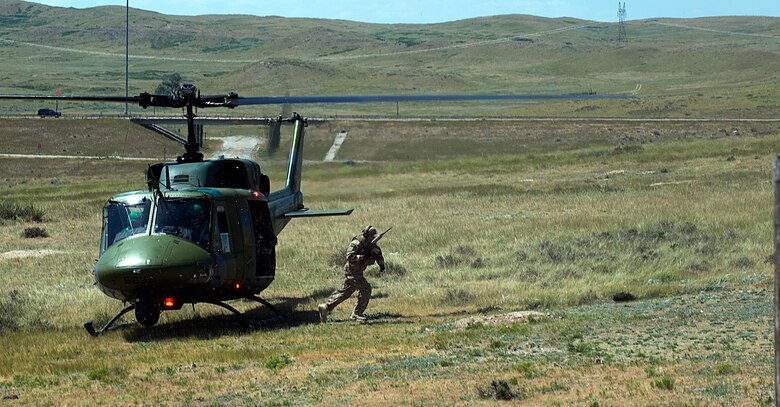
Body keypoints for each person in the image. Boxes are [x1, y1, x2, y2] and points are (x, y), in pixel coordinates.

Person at [319, 226, 385, 322]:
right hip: (352, 271)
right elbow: (349, 256)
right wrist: (362, 257)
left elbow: (378, 254)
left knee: (345, 293)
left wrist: (381, 264)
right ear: (366, 235)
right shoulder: (356, 243)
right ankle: (357, 313)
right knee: (366, 288)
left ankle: (326, 307)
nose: (373, 238)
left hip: (359, 271)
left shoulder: (372, 245)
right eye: (371, 236)